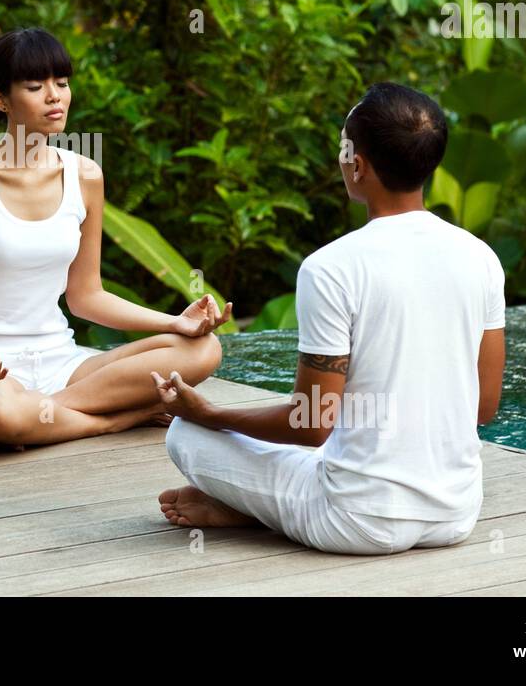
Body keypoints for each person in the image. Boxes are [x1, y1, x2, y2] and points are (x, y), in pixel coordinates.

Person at [155, 82, 506, 554]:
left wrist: (209, 413)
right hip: (456, 513)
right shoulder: (480, 257)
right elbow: (483, 407)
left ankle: (251, 507)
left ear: (357, 166)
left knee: (187, 435)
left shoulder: (331, 268)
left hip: (355, 520)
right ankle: (252, 505)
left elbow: (310, 425)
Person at [0, 26, 232, 447]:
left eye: (62, 82)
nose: (55, 96)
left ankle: (43, 414)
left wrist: (176, 322)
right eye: (36, 86)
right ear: (1, 101)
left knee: (204, 350)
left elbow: (86, 296)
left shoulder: (85, 175)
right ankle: (109, 420)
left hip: (63, 363)